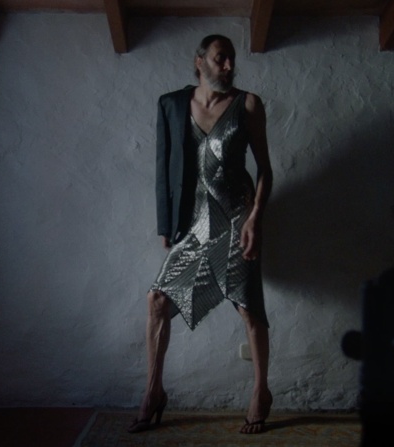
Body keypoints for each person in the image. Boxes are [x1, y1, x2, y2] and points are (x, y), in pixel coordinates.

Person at [128, 34, 274, 435]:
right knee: (158, 299)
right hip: (196, 222)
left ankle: (261, 391)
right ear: (200, 62)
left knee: (248, 306)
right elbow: (163, 168)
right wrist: (166, 224)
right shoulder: (172, 105)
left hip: (239, 217)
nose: (229, 66)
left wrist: (255, 218)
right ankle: (154, 392)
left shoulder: (248, 104)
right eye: (220, 58)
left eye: (231, 59)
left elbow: (265, 169)